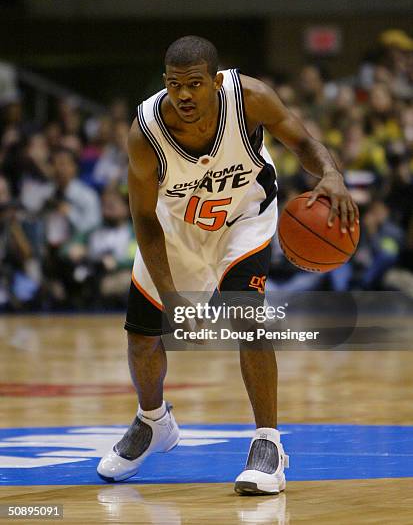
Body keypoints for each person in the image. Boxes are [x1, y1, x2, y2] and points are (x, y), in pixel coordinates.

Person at [97, 36, 358, 495]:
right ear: (165, 83)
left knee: (247, 319)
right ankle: (154, 421)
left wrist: (332, 174)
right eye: (175, 85)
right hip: (174, 229)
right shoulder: (145, 132)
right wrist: (173, 297)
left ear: (215, 82)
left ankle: (268, 446)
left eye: (194, 85)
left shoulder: (249, 98)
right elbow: (142, 217)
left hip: (244, 221)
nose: (183, 95)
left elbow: (303, 141)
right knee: (142, 339)